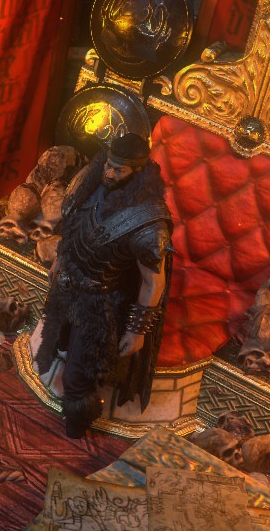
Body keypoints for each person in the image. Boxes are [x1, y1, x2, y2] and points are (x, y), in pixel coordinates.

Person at [33, 131, 173, 437]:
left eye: (118, 170)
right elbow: (74, 226)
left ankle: (77, 424)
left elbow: (153, 281)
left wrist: (136, 330)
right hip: (70, 282)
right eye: (108, 165)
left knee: (80, 376)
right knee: (58, 340)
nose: (109, 174)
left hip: (100, 302)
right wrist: (59, 260)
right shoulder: (91, 181)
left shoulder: (147, 221)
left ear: (137, 170)